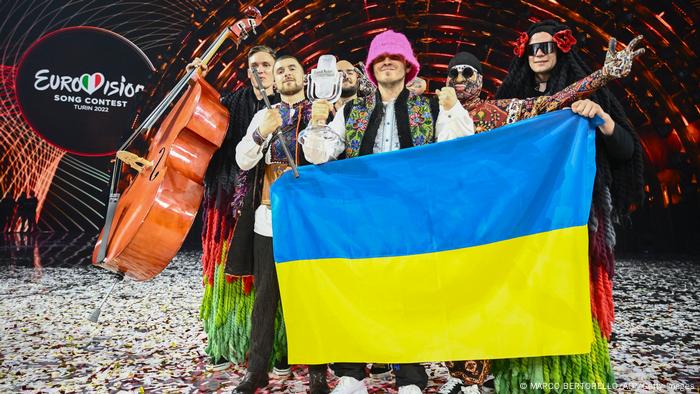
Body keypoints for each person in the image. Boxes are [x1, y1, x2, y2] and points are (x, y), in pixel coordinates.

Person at [302, 29, 474, 394]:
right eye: (380, 57)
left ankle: (410, 378)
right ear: (371, 68)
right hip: (360, 220)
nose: (387, 62)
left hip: (412, 219)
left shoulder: (429, 106)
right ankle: (351, 375)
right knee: (356, 291)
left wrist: (452, 109)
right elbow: (318, 155)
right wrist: (318, 122)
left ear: (408, 65)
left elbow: (460, 148)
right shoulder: (352, 110)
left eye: (394, 56)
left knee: (408, 296)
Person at [487, 20, 646, 393]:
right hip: (522, 220)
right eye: (533, 48)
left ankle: (575, 379)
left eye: (548, 47)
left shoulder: (591, 97)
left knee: (570, 294)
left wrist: (601, 119)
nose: (540, 54)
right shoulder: (509, 103)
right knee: (524, 296)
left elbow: (626, 149)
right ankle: (521, 380)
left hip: (572, 217)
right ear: (523, 54)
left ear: (562, 50)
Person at [232, 54, 329, 394]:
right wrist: (262, 132)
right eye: (279, 70)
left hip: (307, 220)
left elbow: (319, 157)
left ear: (305, 78)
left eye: (292, 69)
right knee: (265, 299)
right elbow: (243, 159)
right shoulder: (264, 115)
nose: (286, 74)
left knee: (308, 296)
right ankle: (256, 371)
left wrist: (317, 123)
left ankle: (317, 374)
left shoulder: (321, 110)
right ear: (272, 80)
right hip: (268, 214)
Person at [199, 45, 283, 371]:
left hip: (270, 203)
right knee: (225, 275)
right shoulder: (228, 104)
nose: (259, 70)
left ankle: (275, 348)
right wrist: (196, 83)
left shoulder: (291, 105)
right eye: (254, 66)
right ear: (247, 72)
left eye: (266, 64)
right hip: (227, 200)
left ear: (276, 71)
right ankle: (223, 342)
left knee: (270, 279)